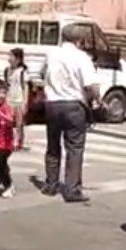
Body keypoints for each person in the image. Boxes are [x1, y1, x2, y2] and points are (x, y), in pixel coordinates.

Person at [41, 24, 101, 204]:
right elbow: (91, 85)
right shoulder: (82, 57)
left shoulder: (52, 55)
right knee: (74, 148)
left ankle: (51, 184)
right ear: (79, 40)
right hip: (74, 105)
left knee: (53, 146)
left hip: (52, 104)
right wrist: (97, 100)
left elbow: (41, 75)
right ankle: (72, 189)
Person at [5, 47, 29, 150]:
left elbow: (25, 87)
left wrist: (25, 102)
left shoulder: (22, 71)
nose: (9, 58)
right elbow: (6, 85)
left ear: (18, 59)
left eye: (11, 56)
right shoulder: (7, 70)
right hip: (9, 99)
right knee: (9, 122)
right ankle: (9, 140)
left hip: (19, 99)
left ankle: (19, 141)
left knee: (19, 123)